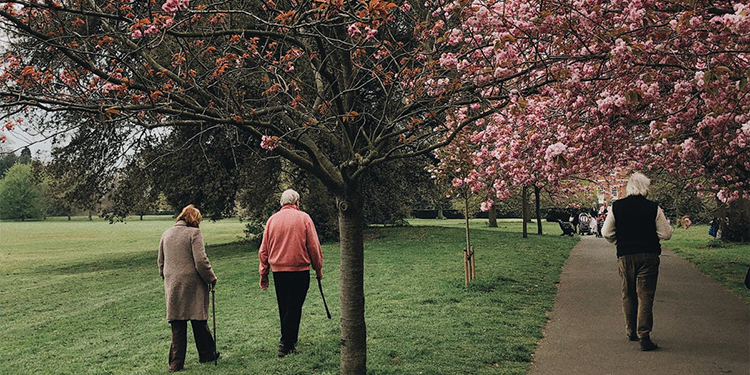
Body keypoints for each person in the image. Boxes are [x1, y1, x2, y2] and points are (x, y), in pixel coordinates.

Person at [602, 173, 672, 352]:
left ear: (629, 188)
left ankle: (630, 330)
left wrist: (621, 242)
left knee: (628, 293)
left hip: (626, 256)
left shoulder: (617, 206)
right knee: (645, 294)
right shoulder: (653, 208)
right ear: (645, 188)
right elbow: (666, 234)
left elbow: (606, 233)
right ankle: (644, 335)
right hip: (648, 256)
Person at [259, 189, 323, 357]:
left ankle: (288, 341)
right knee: (294, 307)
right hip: (299, 271)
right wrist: (318, 268)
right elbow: (314, 247)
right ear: (297, 202)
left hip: (278, 272)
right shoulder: (304, 218)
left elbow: (264, 250)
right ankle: (286, 343)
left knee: (285, 306)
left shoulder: (272, 220)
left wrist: (263, 273)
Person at [158, 205, 219, 372]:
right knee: (198, 319)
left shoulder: (166, 234)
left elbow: (161, 262)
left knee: (177, 323)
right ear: (195, 220)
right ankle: (207, 354)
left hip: (173, 284)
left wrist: (167, 278)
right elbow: (201, 261)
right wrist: (211, 278)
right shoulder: (194, 233)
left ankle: (176, 364)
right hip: (192, 283)